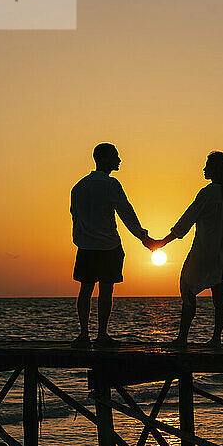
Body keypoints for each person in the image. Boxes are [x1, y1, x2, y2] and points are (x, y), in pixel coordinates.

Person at [147, 151, 223, 347]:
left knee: (188, 289)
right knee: (220, 294)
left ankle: (182, 338)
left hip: (203, 252)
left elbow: (186, 221)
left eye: (207, 164)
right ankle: (216, 338)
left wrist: (163, 242)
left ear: (214, 169)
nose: (204, 168)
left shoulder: (208, 193)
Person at [70, 143, 150, 348]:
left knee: (85, 290)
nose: (119, 160)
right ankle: (102, 334)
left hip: (86, 246)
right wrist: (142, 236)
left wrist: (81, 238)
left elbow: (75, 216)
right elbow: (126, 212)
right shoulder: (111, 184)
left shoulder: (78, 186)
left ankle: (83, 335)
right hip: (108, 246)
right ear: (104, 158)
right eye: (115, 156)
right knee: (106, 291)